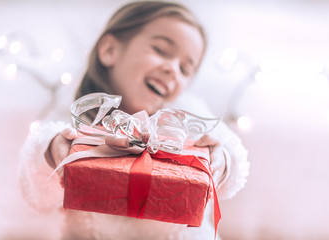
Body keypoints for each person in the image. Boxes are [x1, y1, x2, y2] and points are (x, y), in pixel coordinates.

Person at [19, 1, 249, 239]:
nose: (173, 70)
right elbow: (35, 186)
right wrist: (52, 152)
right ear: (110, 50)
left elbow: (231, 150)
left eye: (184, 69)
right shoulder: (78, 115)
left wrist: (222, 161)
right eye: (160, 50)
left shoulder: (185, 113)